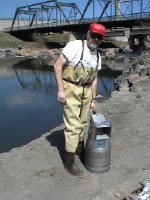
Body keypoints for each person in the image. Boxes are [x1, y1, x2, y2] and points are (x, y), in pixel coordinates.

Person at [54, 22, 106, 177]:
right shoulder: (74, 46)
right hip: (70, 88)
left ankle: (79, 151)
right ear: (88, 34)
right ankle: (69, 163)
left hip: (86, 90)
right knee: (73, 125)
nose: (95, 39)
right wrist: (61, 90)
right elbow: (57, 66)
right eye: (94, 35)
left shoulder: (97, 55)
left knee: (83, 122)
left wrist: (93, 99)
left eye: (99, 37)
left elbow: (95, 79)